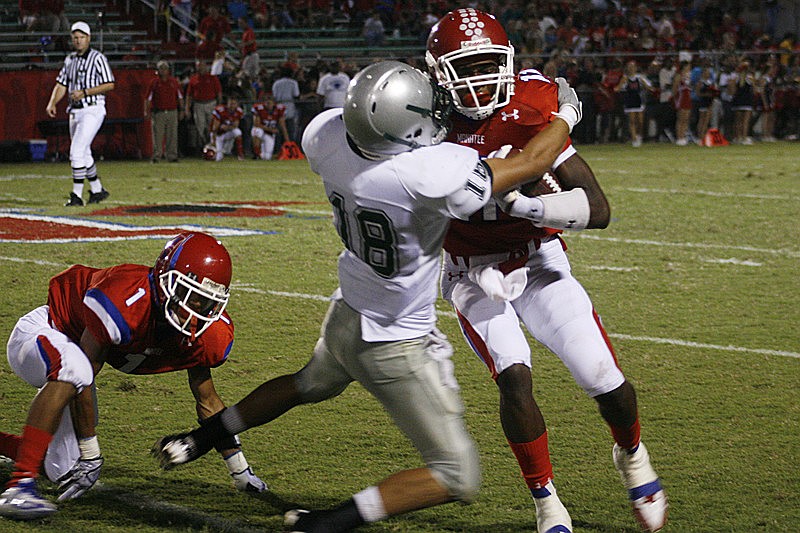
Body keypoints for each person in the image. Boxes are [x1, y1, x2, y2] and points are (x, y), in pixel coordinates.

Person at [151, 60, 583, 532]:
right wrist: (565, 114)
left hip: (347, 312)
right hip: (395, 339)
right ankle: (324, 525)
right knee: (456, 474)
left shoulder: (325, 136)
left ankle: (198, 439)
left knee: (305, 385)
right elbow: (530, 163)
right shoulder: (428, 172)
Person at [426, 9, 667, 533]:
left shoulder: (532, 102)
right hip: (469, 270)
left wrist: (530, 207)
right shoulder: (421, 120)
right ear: (437, 73)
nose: (478, 80)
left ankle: (631, 453)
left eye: (488, 65)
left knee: (604, 380)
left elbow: (598, 209)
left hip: (537, 258)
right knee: (514, 375)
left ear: (508, 62)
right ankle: (546, 499)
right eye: (465, 69)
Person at [0, 232, 266, 521]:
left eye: (206, 302)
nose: (195, 312)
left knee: (60, 468)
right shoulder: (126, 299)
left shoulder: (203, 335)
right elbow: (84, 376)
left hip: (72, 370)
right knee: (76, 368)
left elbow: (209, 401)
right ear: (166, 279)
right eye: (190, 296)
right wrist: (91, 452)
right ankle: (19, 487)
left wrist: (240, 470)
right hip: (43, 335)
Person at [45, 21, 113, 207]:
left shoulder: (98, 58)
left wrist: (85, 92)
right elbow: (61, 83)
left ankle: (76, 195)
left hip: (93, 108)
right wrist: (52, 102)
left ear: (88, 38)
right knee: (84, 152)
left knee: (76, 151)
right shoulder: (70, 60)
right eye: (75, 37)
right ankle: (98, 190)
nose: (78, 40)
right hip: (75, 110)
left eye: (81, 37)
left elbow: (110, 84)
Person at [145, 60, 185, 163]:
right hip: (159, 112)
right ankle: (156, 156)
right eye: (161, 69)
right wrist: (147, 111)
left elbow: (180, 97)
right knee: (157, 136)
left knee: (172, 135)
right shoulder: (154, 83)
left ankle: (172, 155)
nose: (163, 71)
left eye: (165, 68)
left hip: (172, 111)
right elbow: (148, 98)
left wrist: (182, 109)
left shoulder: (174, 82)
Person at [615, 60, 654, 147]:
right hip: (629, 101)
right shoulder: (625, 78)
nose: (631, 69)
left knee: (640, 121)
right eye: (629, 67)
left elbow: (649, 87)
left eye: (633, 67)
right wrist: (620, 86)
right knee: (632, 121)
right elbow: (618, 88)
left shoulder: (640, 78)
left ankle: (639, 135)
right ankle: (634, 139)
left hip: (638, 100)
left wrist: (646, 86)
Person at [185, 60, 223, 150]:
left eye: (202, 66)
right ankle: (203, 146)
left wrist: (219, 106)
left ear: (206, 66)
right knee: (200, 126)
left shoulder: (212, 78)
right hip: (198, 104)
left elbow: (219, 93)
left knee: (212, 125)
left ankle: (213, 146)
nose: (200, 68)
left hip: (211, 103)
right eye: (198, 66)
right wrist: (187, 108)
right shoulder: (193, 79)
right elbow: (189, 95)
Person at [250, 94, 289, 160]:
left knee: (267, 157)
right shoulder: (259, 109)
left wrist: (287, 140)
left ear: (274, 103)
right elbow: (256, 124)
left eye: (270, 103)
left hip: (269, 134)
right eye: (267, 103)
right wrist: (271, 129)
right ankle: (256, 154)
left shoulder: (279, 109)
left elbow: (283, 125)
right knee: (257, 131)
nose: (268, 105)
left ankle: (261, 153)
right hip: (261, 130)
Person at [207, 94, 245, 161]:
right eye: (230, 103)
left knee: (238, 132)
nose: (232, 106)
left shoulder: (238, 111)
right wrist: (213, 142)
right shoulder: (220, 110)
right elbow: (214, 129)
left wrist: (227, 127)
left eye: (234, 104)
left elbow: (236, 125)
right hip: (217, 135)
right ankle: (215, 150)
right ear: (227, 104)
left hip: (227, 133)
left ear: (237, 104)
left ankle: (240, 154)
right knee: (218, 158)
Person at [271, 65, 301, 144]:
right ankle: (290, 147)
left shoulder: (276, 83)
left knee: (278, 131)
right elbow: (296, 94)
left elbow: (274, 96)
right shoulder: (293, 83)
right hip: (290, 108)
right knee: (290, 130)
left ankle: (278, 148)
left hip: (279, 109)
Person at [237, 16, 259, 81]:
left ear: (246, 23)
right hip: (249, 55)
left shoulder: (249, 31)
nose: (240, 25)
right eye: (239, 23)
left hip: (251, 55)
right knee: (251, 75)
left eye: (241, 23)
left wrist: (243, 45)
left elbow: (251, 41)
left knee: (245, 73)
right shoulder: (245, 32)